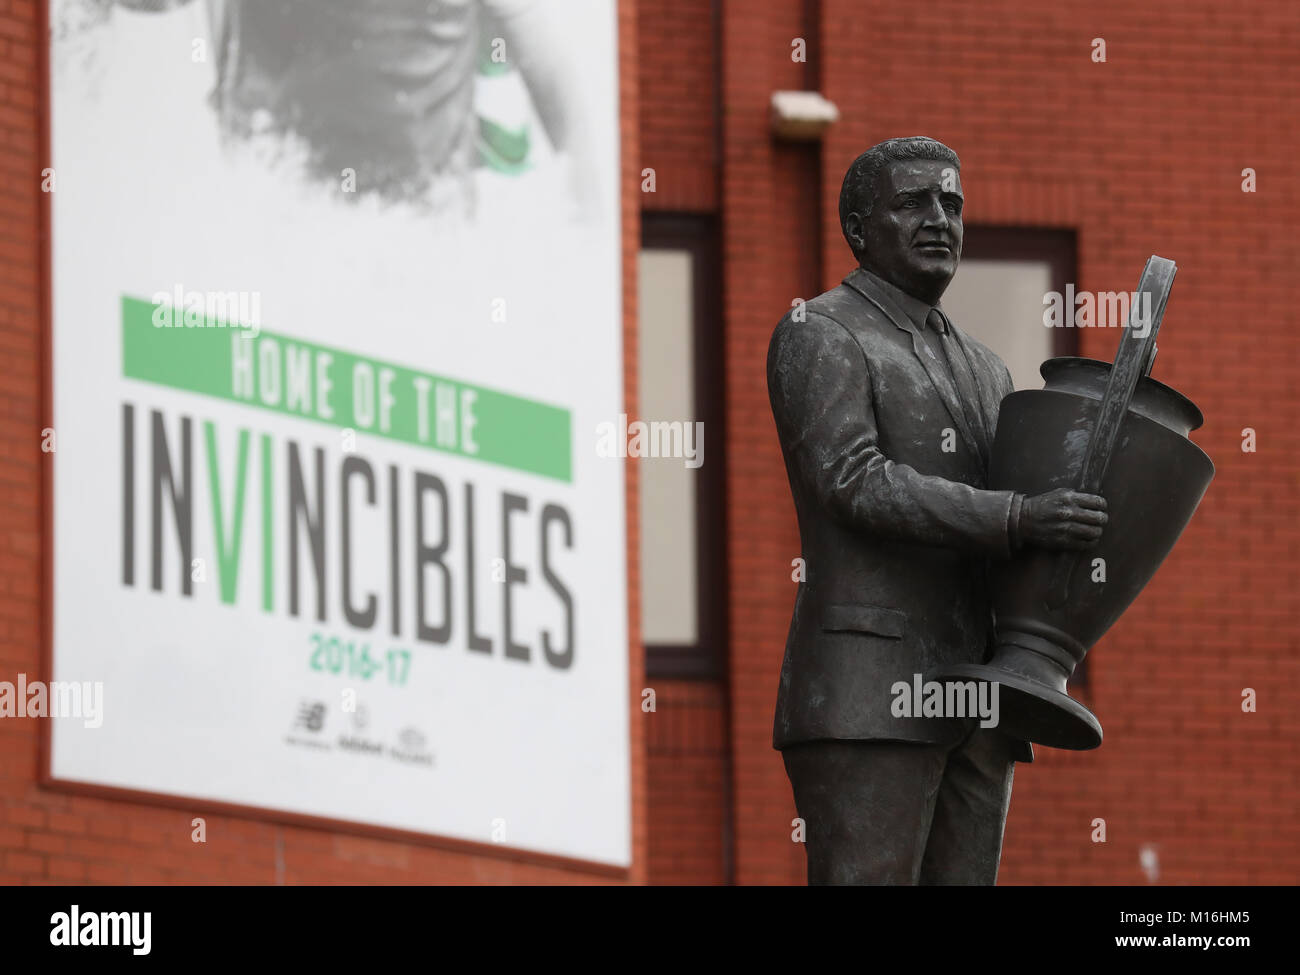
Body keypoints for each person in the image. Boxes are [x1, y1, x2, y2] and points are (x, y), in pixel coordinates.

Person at [766, 136, 1108, 884]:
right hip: (868, 690)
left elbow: (1011, 504)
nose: (939, 218)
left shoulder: (988, 367)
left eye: (951, 202)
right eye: (913, 202)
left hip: (979, 703)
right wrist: (1019, 516)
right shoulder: (820, 333)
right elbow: (852, 479)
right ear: (858, 228)